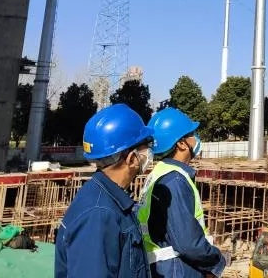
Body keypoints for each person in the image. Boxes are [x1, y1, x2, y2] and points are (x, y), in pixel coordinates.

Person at [55, 104, 154, 278]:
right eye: (146, 146)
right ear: (131, 158)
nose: (150, 152)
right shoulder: (99, 215)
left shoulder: (109, 199)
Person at [137, 107, 229, 277]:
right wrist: (216, 262)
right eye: (192, 134)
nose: (197, 139)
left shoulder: (160, 173)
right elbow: (189, 243)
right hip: (178, 269)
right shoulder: (175, 181)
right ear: (181, 143)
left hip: (164, 267)